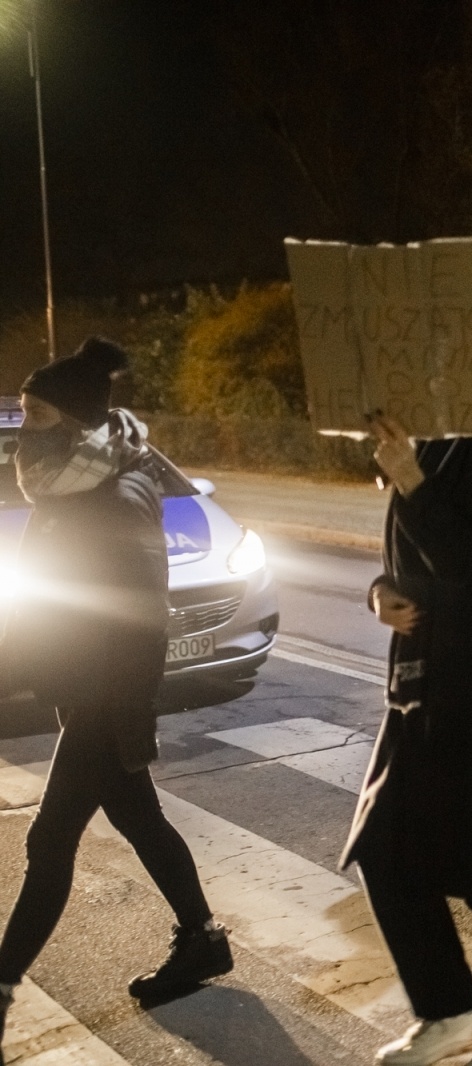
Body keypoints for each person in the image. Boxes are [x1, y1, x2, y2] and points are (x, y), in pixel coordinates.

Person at [0, 339, 231, 1041]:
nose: (26, 427)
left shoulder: (119, 493)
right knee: (138, 816)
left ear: (74, 420)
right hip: (83, 683)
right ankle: (202, 938)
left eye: (37, 414)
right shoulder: (71, 481)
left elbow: (140, 618)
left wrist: (127, 714)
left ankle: (1, 988)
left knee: (49, 841)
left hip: (108, 696)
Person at [343, 415, 472, 1066]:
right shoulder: (434, 443)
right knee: (386, 848)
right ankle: (450, 1009)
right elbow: (410, 557)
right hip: (421, 684)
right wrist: (380, 594)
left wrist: (410, 478)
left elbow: (469, 564)